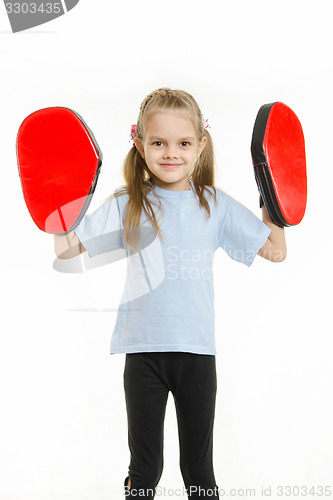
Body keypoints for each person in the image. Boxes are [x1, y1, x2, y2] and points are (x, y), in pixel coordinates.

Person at [54, 88, 287, 499]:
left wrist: (274, 198)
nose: (170, 153)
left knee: (198, 470)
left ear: (201, 145)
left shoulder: (214, 204)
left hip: (196, 353)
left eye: (182, 143)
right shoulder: (128, 203)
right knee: (145, 470)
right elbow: (69, 249)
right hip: (142, 353)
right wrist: (54, 202)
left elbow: (275, 250)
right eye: (158, 142)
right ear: (140, 144)